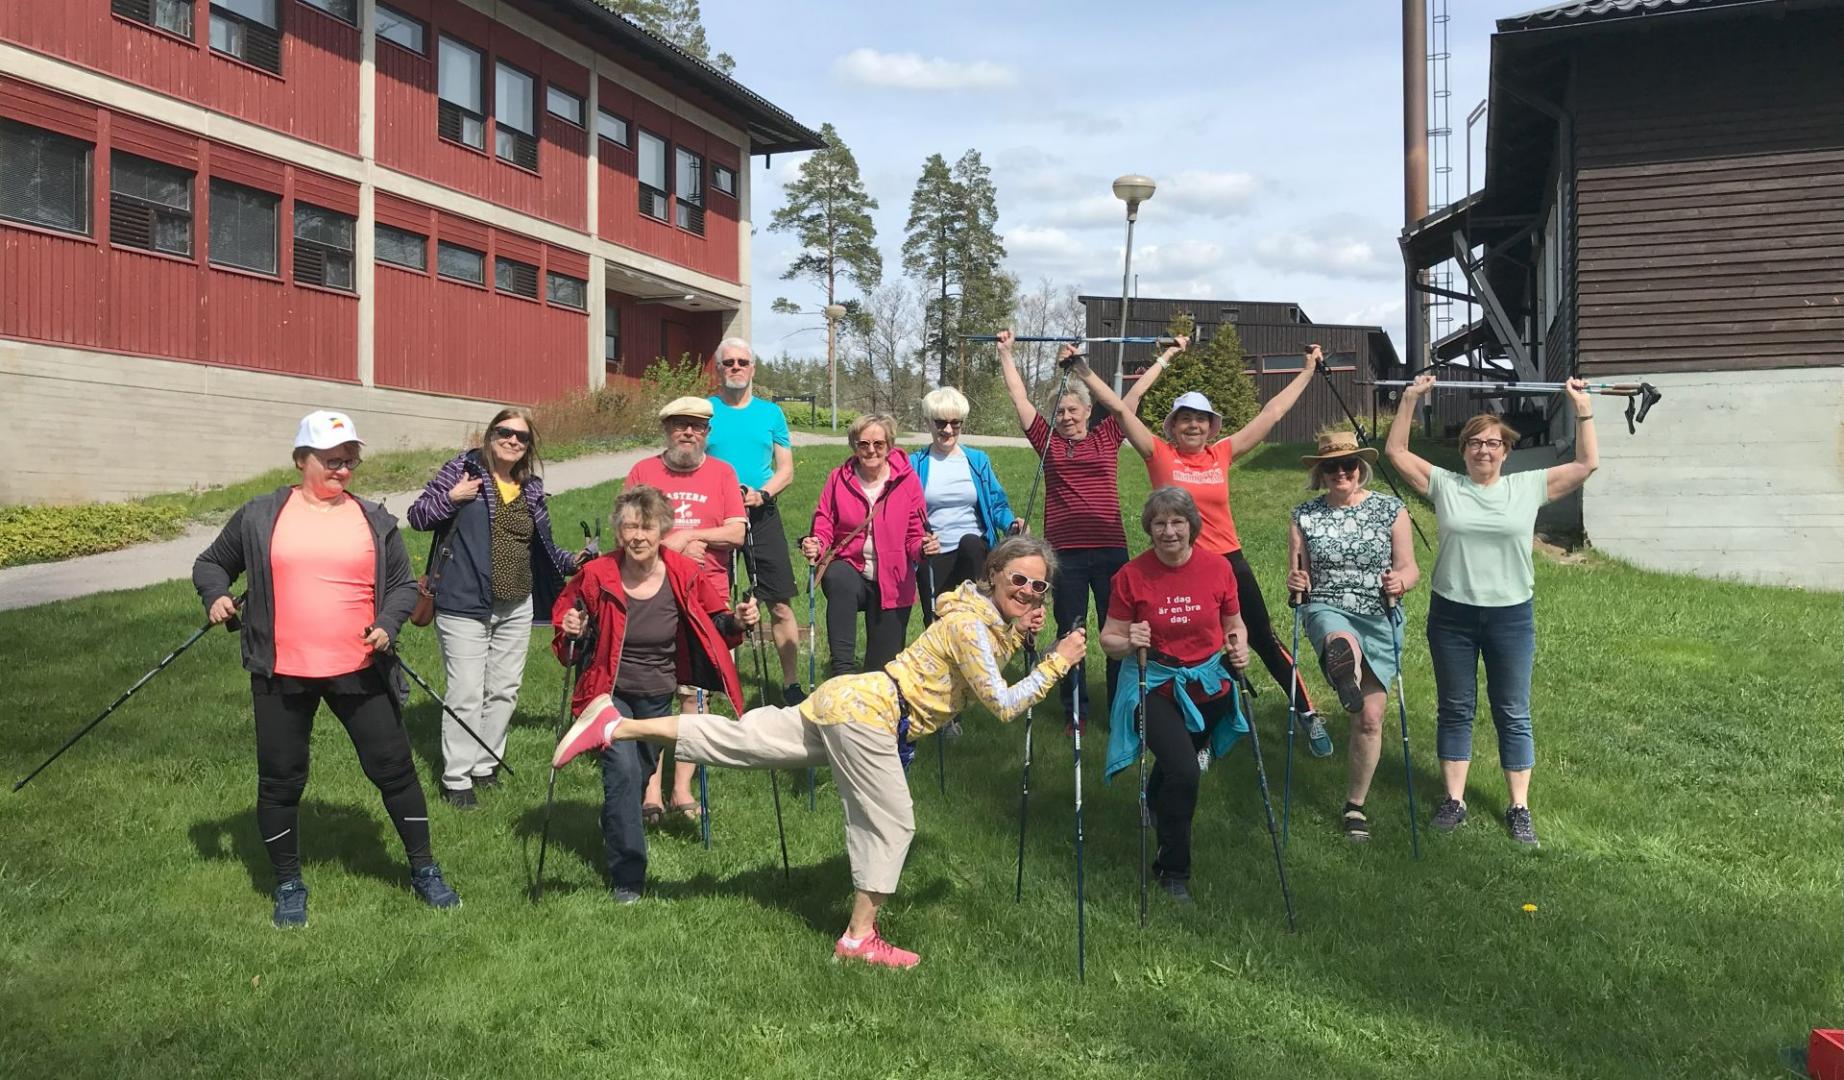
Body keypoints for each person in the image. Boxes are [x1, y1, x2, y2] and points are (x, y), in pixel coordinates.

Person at [551, 535, 1086, 967]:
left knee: (743, 740)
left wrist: (1016, 633)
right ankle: (858, 938)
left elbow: (979, 664)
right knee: (893, 824)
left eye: (1039, 587)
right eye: (1020, 579)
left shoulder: (974, 613)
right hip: (872, 717)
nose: (1030, 591)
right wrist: (1057, 660)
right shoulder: (972, 623)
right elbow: (1003, 702)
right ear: (994, 574)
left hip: (851, 698)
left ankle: (615, 726)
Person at [192, 410, 459, 928]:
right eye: (332, 460)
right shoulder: (260, 515)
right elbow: (211, 563)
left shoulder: (373, 520)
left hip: (358, 668)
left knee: (394, 770)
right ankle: (289, 882)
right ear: (302, 460)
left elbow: (406, 586)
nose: (342, 470)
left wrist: (388, 623)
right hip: (280, 671)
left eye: (350, 462)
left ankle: (424, 868)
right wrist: (217, 595)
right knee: (280, 780)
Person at [1073, 341, 1333, 753]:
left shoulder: (1221, 454)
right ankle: (1203, 735)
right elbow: (1123, 411)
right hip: (1176, 564)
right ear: (1172, 426)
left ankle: (1306, 712)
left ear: (1212, 427)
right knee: (1195, 650)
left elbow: (1272, 413)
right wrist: (1083, 370)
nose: (1194, 426)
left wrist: (1305, 371)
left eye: (1202, 420)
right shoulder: (1158, 455)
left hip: (1226, 560)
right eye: (1185, 419)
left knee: (1261, 637)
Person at [1384, 373, 1599, 846]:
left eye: (1494, 443)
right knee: (1455, 708)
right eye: (1476, 443)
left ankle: (1519, 807)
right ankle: (1454, 801)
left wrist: (1580, 408)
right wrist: (1410, 399)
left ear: (1506, 451)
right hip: (1452, 615)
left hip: (1510, 616)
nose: (1484, 450)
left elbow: (1586, 463)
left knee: (1512, 710)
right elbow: (1396, 453)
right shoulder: (1446, 486)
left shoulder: (1528, 487)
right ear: (1463, 451)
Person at [553, 485, 757, 903]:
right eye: (629, 527)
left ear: (662, 529)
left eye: (647, 527)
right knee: (624, 771)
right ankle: (629, 874)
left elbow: (716, 620)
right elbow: (568, 622)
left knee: (641, 769)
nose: (638, 536)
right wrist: (571, 630)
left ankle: (616, 817)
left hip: (657, 692)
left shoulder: (683, 572)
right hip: (607, 693)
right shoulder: (597, 575)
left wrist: (738, 621)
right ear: (618, 531)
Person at [407, 408, 579, 809]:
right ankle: (456, 778)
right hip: (463, 601)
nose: (513, 441)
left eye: (522, 437)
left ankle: (485, 766)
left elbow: (546, 549)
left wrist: (575, 562)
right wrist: (452, 499)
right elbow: (417, 516)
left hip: (516, 603)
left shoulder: (530, 487)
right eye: (505, 432)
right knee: (466, 691)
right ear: (490, 435)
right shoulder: (463, 470)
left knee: (504, 690)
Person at [996, 329, 1152, 731]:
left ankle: (1121, 707)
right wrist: (1006, 353)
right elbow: (1020, 399)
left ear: (1086, 410)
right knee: (1071, 630)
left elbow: (1130, 400)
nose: (1065, 417)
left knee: (1115, 630)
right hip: (1064, 555)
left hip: (1110, 549)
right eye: (1060, 412)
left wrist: (1165, 360)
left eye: (1072, 410)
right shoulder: (1047, 442)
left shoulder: (1108, 434)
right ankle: (1075, 710)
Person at [1100, 488, 1251, 903]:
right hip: (1152, 683)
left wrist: (1239, 646)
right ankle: (1173, 871)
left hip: (1207, 682)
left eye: (1177, 522)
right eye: (1160, 523)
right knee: (1186, 771)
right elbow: (1108, 640)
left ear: (1191, 526)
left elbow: (1234, 624)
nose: (1169, 531)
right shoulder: (1131, 575)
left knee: (1180, 759)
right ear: (1150, 528)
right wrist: (1129, 639)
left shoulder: (1218, 569)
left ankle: (1153, 796)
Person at [1286, 430, 1420, 842]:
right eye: (1331, 466)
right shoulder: (1303, 516)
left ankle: (1355, 806)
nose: (1341, 472)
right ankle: (1344, 664)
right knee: (1337, 637)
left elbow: (1411, 568)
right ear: (1321, 473)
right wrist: (1295, 580)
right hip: (1327, 604)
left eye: (1348, 465)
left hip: (1378, 610)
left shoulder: (1390, 509)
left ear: (1360, 468)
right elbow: (1299, 577)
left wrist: (1400, 582)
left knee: (1370, 719)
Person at [624, 396, 747, 824]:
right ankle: (650, 790)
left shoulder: (723, 473)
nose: (688, 433)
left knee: (696, 696)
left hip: (707, 596)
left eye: (697, 426)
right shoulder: (644, 472)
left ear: (707, 433)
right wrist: (670, 546)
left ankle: (682, 788)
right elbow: (630, 529)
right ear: (667, 430)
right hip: (652, 595)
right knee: (653, 695)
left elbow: (736, 530)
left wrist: (692, 535)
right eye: (680, 426)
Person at [705, 337, 806, 705]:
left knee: (778, 603)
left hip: (761, 514)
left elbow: (787, 470)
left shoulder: (770, 414)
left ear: (753, 368)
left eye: (742, 362)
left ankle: (791, 684)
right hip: (716, 516)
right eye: (728, 362)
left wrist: (761, 494)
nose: (735, 367)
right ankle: (720, 679)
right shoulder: (705, 411)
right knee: (716, 602)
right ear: (718, 368)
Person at [799, 413, 925, 677]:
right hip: (852, 569)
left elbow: (914, 534)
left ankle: (874, 708)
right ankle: (841, 674)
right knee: (837, 575)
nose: (871, 450)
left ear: (889, 445)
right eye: (863, 444)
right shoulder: (838, 478)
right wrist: (817, 544)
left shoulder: (908, 480)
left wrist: (923, 549)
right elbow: (824, 521)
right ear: (854, 446)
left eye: (878, 444)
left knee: (882, 672)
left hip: (893, 579)